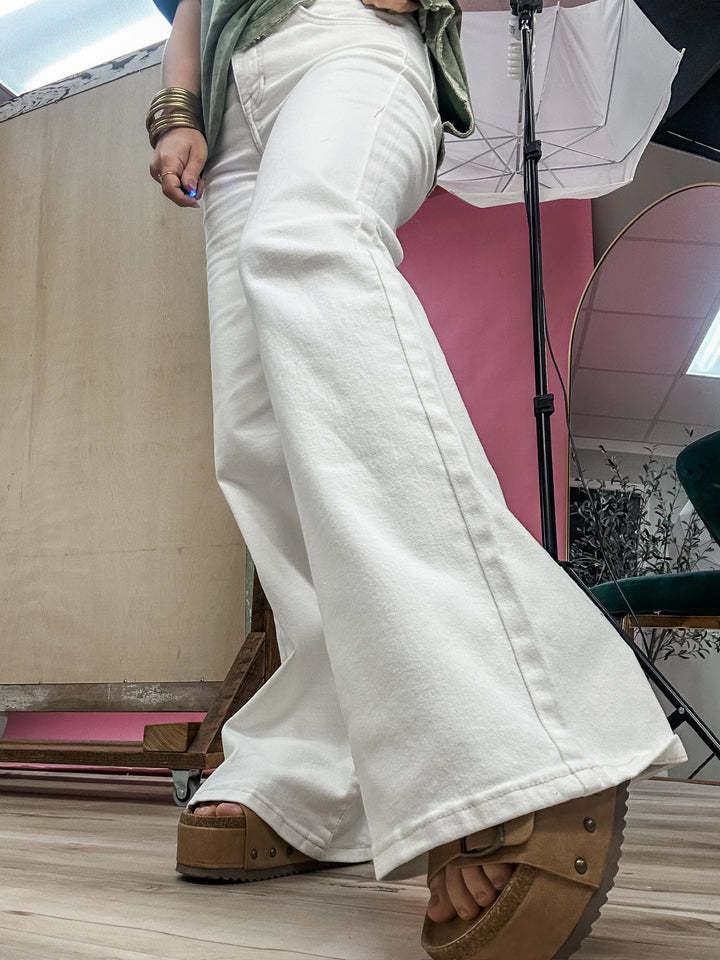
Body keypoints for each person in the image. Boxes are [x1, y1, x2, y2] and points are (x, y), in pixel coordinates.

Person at [147, 2, 685, 958]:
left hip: (350, 42)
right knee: (257, 424)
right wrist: (176, 113)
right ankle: (318, 775)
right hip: (231, 113)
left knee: (310, 244)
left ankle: (512, 728)